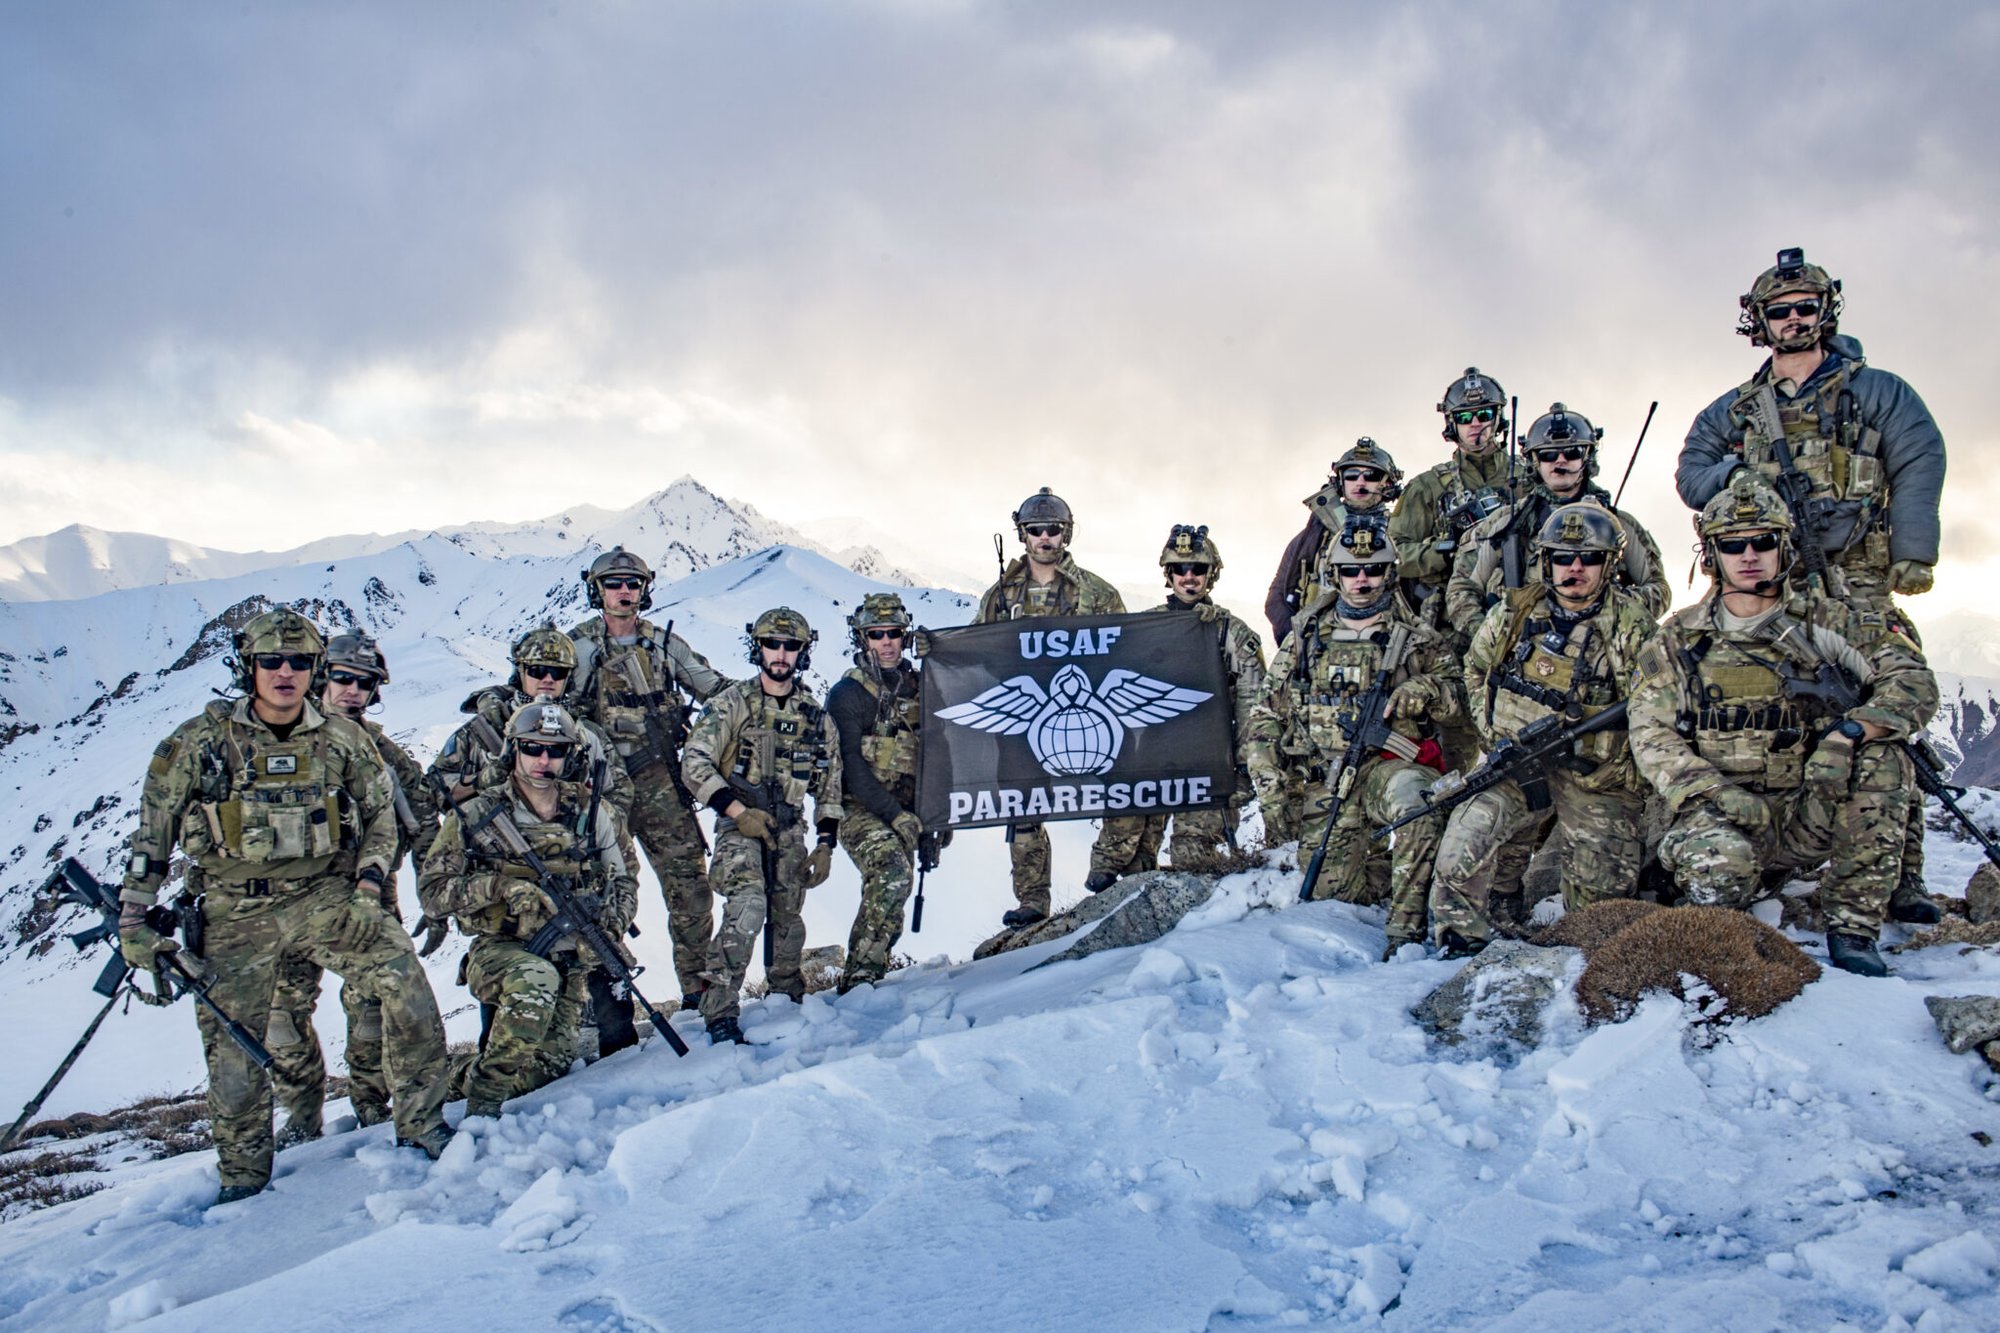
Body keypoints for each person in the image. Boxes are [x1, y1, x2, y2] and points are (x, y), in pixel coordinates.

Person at [116, 609, 450, 1204]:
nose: (286, 672)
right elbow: (153, 834)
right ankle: (243, 1180)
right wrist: (134, 921)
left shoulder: (344, 740)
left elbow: (380, 817)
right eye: (271, 661)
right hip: (233, 907)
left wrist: (370, 886)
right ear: (249, 667)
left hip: (327, 896)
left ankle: (423, 1127)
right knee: (234, 1044)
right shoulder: (199, 742)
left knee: (405, 985)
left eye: (299, 662)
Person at [1677, 246, 1948, 926]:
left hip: (1855, 579)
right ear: (1759, 321)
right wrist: (1738, 482)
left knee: (1881, 715)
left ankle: (1898, 877)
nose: (1794, 320)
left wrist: (1913, 552)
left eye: (1806, 308)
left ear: (1826, 312)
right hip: (1770, 585)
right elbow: (1692, 472)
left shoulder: (1877, 391)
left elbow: (1919, 456)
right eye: (1780, 311)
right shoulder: (1735, 409)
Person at [1629, 474, 1938, 977]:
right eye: (1733, 545)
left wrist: (1851, 733)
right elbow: (1652, 735)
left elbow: (1911, 681)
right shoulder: (1679, 639)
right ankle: (1741, 893)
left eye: (1762, 542)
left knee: (1885, 758)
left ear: (1783, 547)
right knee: (1720, 873)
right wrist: (1712, 792)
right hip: (1719, 812)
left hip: (1810, 804)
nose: (1748, 555)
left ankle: (1853, 926)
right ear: (1712, 555)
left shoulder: (1830, 623)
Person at [1427, 505, 1659, 956]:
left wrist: (1605, 759)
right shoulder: (1514, 613)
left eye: (1589, 559)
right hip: (1518, 764)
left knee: (1601, 906)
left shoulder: (1631, 626)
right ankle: (1459, 946)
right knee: (1462, 843)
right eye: (1562, 558)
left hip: (1596, 780)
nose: (1575, 569)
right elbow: (1477, 671)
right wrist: (1497, 734)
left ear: (1609, 564)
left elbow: (1653, 710)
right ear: (1545, 560)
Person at [1244, 520, 1460, 957]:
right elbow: (1267, 712)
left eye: (1374, 570)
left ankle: (1405, 933)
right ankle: (1376, 871)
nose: (1362, 581)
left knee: (1419, 807)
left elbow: (1458, 696)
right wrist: (1269, 781)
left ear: (1389, 573)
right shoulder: (1305, 637)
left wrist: (1425, 689)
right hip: (1327, 780)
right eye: (1351, 571)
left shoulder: (1416, 637)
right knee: (1331, 895)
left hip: (1387, 768)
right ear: (1334, 575)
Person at [418, 703, 635, 1117]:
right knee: (537, 978)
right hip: (501, 952)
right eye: (532, 748)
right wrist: (499, 887)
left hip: (569, 957)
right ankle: (484, 1105)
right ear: (513, 750)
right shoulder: (479, 814)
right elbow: (433, 892)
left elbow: (623, 879)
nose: (543, 760)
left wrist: (611, 925)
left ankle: (450, 1076)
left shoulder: (590, 813)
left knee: (543, 1072)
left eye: (554, 751)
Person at [266, 632, 440, 1139]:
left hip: (365, 891)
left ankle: (370, 1107)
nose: (353, 692)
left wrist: (432, 892)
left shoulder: (382, 752)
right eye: (343, 679)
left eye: (364, 684)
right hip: (281, 896)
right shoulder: (272, 738)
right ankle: (300, 1121)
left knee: (372, 1004)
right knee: (282, 1015)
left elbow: (424, 819)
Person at [568, 546, 729, 1008]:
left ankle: (698, 995)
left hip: (660, 781)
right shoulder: (576, 648)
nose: (624, 592)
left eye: (632, 584)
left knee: (691, 891)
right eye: (614, 584)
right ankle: (598, 1012)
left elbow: (715, 690)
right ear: (596, 590)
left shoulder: (662, 644)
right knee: (603, 897)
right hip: (597, 789)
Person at [972, 487, 1140, 926]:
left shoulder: (1097, 594)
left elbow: (1128, 646)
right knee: (1022, 808)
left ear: (1066, 533)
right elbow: (972, 648)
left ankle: (1112, 865)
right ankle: (1032, 899)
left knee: (1131, 781)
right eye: (1035, 530)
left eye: (1053, 529)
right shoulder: (1000, 597)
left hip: (1090, 714)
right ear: (1022, 535)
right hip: (1025, 720)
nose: (1045, 537)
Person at [681, 608, 843, 1045]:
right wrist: (737, 812)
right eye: (773, 644)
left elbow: (830, 786)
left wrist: (826, 844)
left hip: (790, 828)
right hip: (739, 827)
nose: (781, 653)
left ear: (802, 654)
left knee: (788, 916)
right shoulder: (733, 704)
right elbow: (694, 764)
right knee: (749, 905)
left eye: (791, 646)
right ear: (759, 647)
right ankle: (718, 1008)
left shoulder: (815, 716)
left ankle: (785, 994)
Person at [1446, 402, 1670, 640]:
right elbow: (1462, 590)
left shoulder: (1619, 525)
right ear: (1534, 461)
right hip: (1521, 651)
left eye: (1571, 453)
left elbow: (1659, 590)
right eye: (1548, 455)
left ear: (1587, 457)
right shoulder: (1504, 525)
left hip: (1600, 649)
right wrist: (1492, 636)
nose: (1560, 461)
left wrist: (1612, 605)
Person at [1117, 525, 1269, 866]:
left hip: (1210, 762)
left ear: (1210, 574)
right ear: (1168, 575)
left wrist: (1244, 768)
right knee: (1130, 860)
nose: (1189, 577)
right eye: (1179, 570)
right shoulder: (1142, 628)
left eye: (1198, 569)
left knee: (1194, 857)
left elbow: (1253, 705)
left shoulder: (1232, 632)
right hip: (1152, 759)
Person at [826, 593, 939, 993]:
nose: (887, 642)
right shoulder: (847, 694)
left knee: (897, 887)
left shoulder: (923, 686)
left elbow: (943, 750)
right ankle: (859, 978)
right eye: (877, 634)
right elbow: (852, 770)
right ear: (863, 639)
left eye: (894, 633)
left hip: (905, 809)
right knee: (892, 873)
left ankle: (877, 967)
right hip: (860, 808)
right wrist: (895, 816)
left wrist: (936, 817)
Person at [1389, 367, 1516, 637]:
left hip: (1520, 610)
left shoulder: (1528, 477)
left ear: (1498, 419)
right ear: (1452, 424)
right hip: (1448, 622)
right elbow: (1393, 553)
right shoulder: (1427, 487)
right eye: (1464, 417)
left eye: (1484, 414)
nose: (1475, 424)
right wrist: (1445, 551)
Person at [1266, 439, 1404, 647]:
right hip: (1321, 646)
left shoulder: (1402, 535)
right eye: (1351, 476)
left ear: (1387, 484)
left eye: (1371, 476)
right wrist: (1296, 642)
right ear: (1340, 482)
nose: (1360, 482)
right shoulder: (1312, 537)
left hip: (1387, 644)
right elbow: (1277, 597)